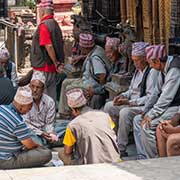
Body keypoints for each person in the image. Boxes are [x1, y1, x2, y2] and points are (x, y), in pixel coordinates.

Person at [133, 45, 180, 159]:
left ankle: (153, 160)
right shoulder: (161, 68)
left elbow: (166, 98)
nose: (150, 66)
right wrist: (145, 111)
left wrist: (151, 114)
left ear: (158, 61)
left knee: (147, 126)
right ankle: (143, 155)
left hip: (175, 106)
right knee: (137, 119)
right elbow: (155, 93)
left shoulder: (174, 70)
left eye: (151, 63)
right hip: (167, 106)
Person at [58, 88, 119, 165]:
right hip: (115, 160)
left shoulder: (73, 125)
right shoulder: (105, 116)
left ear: (74, 110)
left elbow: (67, 151)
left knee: (62, 154)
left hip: (92, 165)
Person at [58, 32, 111, 117]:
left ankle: (68, 112)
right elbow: (89, 54)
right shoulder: (97, 49)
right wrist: (82, 57)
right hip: (86, 78)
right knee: (65, 82)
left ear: (84, 48)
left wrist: (100, 89)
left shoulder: (95, 58)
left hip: (91, 84)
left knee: (69, 87)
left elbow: (102, 75)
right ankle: (64, 111)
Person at [0, 86, 52, 169]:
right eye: (29, 107)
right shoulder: (18, 121)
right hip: (6, 160)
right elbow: (29, 145)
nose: (30, 110)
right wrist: (38, 146)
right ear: (21, 106)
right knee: (46, 154)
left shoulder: (1, 108)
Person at [30, 0, 64, 103]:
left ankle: (42, 118)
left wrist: (55, 62)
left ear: (42, 11)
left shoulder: (44, 25)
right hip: (51, 68)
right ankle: (51, 118)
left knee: (39, 97)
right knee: (50, 96)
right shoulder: (54, 24)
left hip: (43, 68)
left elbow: (48, 46)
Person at [23, 71, 68, 146]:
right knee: (30, 137)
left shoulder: (49, 101)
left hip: (45, 130)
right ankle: (48, 142)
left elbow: (49, 123)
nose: (34, 90)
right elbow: (26, 123)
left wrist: (50, 133)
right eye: (32, 86)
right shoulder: (25, 101)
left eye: (38, 87)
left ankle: (48, 141)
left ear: (43, 88)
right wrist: (41, 133)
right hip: (32, 131)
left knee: (68, 125)